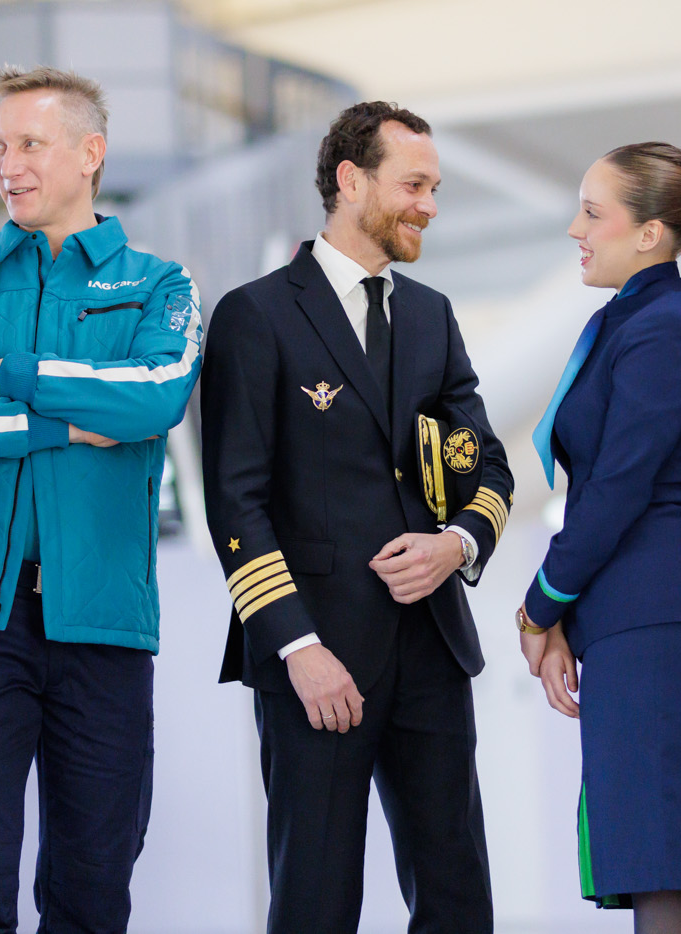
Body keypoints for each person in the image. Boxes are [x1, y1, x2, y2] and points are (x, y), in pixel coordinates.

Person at [0, 65, 202, 932]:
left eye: (29, 143)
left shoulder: (159, 286)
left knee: (93, 890)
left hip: (100, 625)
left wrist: (12, 376)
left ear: (90, 154)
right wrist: (60, 426)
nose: (8, 164)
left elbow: (155, 394)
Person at [200, 101, 515, 934]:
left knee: (458, 902)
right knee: (315, 901)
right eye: (413, 185)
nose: (430, 206)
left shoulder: (431, 314)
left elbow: (489, 465)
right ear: (351, 180)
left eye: (435, 187)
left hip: (433, 655)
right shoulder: (254, 314)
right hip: (317, 661)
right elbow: (235, 501)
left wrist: (456, 544)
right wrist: (298, 648)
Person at [517, 143, 681, 931]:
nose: (576, 228)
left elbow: (617, 488)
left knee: (668, 864)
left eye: (593, 211)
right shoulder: (640, 321)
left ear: (651, 233)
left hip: (650, 614)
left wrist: (541, 605)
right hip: (637, 615)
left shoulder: (664, 330)